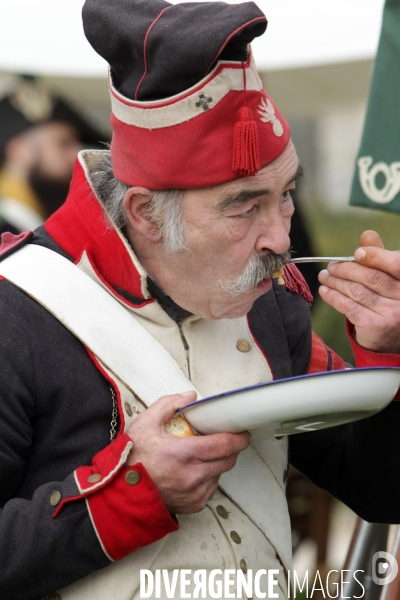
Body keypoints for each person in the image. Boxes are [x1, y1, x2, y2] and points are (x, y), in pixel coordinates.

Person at [0, 1, 399, 599]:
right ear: (145, 214)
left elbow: (379, 490)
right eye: (245, 204)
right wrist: (130, 496)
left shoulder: (271, 302)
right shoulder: (16, 313)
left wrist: (383, 352)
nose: (282, 239)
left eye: (285, 194)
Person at [0, 76, 105, 235]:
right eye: (64, 143)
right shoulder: (9, 227)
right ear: (21, 151)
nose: (77, 155)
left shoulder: (29, 220)